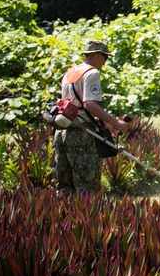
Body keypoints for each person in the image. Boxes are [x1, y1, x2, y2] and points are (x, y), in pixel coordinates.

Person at [53, 39, 132, 193]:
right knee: (87, 186)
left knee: (65, 187)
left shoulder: (70, 72)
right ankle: (89, 217)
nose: (104, 62)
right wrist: (116, 123)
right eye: (105, 57)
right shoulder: (92, 73)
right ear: (97, 55)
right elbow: (89, 104)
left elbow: (73, 104)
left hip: (61, 132)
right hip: (80, 135)